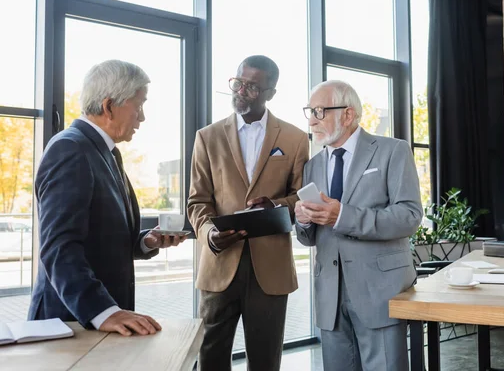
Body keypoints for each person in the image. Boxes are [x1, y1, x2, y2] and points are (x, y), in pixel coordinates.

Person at [28, 59, 185, 337]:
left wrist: (146, 242)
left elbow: (100, 237)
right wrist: (103, 311)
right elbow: (59, 246)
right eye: (139, 105)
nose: (142, 117)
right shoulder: (70, 149)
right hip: (68, 323)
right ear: (109, 106)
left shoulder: (107, 152)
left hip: (93, 323)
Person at [187, 55, 309, 370]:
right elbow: (197, 201)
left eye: (252, 86)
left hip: (270, 268)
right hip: (218, 264)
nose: (241, 90)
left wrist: (278, 205)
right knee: (211, 358)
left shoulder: (295, 139)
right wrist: (209, 235)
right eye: (239, 82)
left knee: (266, 360)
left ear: (271, 92)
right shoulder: (207, 137)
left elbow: (303, 197)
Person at [295, 80, 423, 371]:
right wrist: (302, 221)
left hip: (380, 291)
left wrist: (342, 216)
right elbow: (309, 237)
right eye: (309, 111)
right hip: (330, 295)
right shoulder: (312, 165)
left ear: (348, 115)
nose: (312, 120)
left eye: (319, 111)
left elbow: (409, 215)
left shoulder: (393, 151)